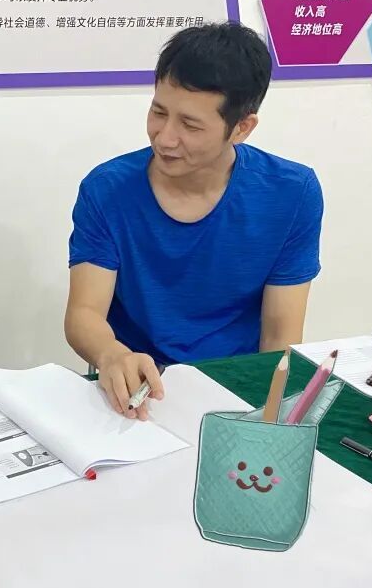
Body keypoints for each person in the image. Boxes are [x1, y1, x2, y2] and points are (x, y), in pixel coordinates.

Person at [64, 22, 323, 421]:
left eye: (190, 125)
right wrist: (111, 354)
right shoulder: (107, 189)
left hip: (234, 386)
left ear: (242, 128)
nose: (164, 138)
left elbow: (279, 336)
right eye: (158, 112)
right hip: (139, 387)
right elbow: (84, 313)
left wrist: (266, 417)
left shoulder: (292, 193)